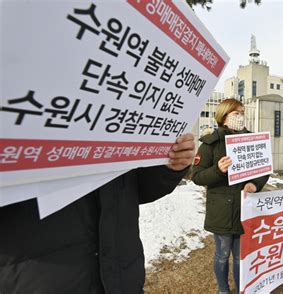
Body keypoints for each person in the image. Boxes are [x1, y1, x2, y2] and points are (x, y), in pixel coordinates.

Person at [0, 134, 196, 294]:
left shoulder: (116, 121)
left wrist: (168, 169)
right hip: (40, 279)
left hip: (122, 275)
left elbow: (133, 189)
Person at [191, 98, 269, 294]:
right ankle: (223, 290)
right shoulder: (211, 143)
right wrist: (217, 170)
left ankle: (241, 288)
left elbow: (264, 170)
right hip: (222, 211)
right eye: (236, 113)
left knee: (241, 255)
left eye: (242, 112)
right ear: (224, 117)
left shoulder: (253, 140)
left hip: (245, 208)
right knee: (222, 254)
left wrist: (255, 184)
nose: (241, 117)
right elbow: (197, 176)